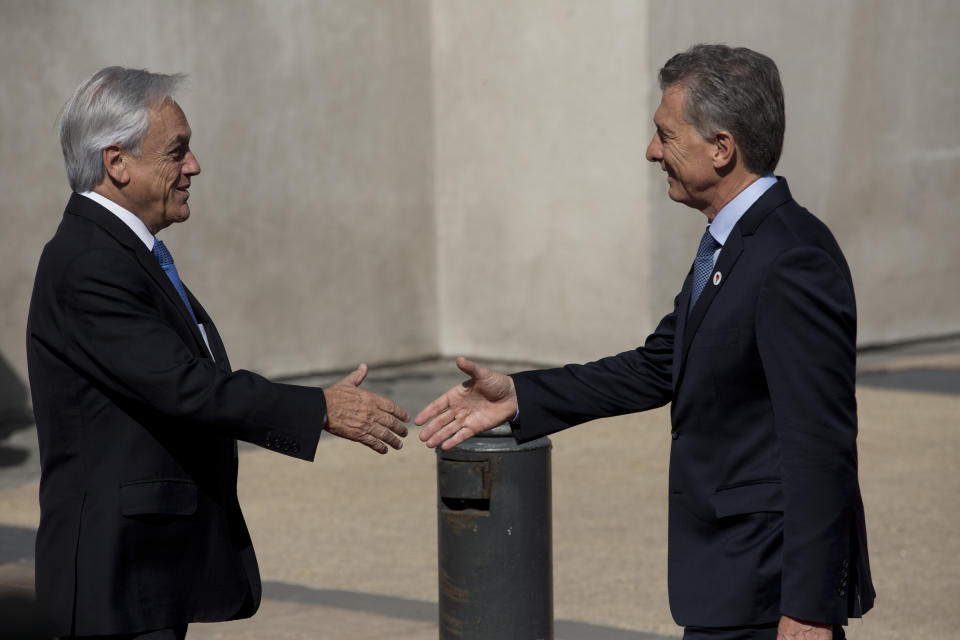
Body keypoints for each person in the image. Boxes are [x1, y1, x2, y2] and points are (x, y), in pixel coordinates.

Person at [417, 44, 874, 640]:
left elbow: (822, 445)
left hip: (767, 592)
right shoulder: (733, 245)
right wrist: (519, 396)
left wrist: (811, 609)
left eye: (666, 134)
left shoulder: (792, 257)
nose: (652, 151)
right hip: (727, 583)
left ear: (722, 147)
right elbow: (658, 365)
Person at [27, 67, 410, 639]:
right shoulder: (90, 261)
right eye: (177, 152)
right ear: (117, 162)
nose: (193, 167)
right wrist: (319, 409)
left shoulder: (121, 252)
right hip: (115, 574)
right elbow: (184, 385)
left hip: (146, 570)